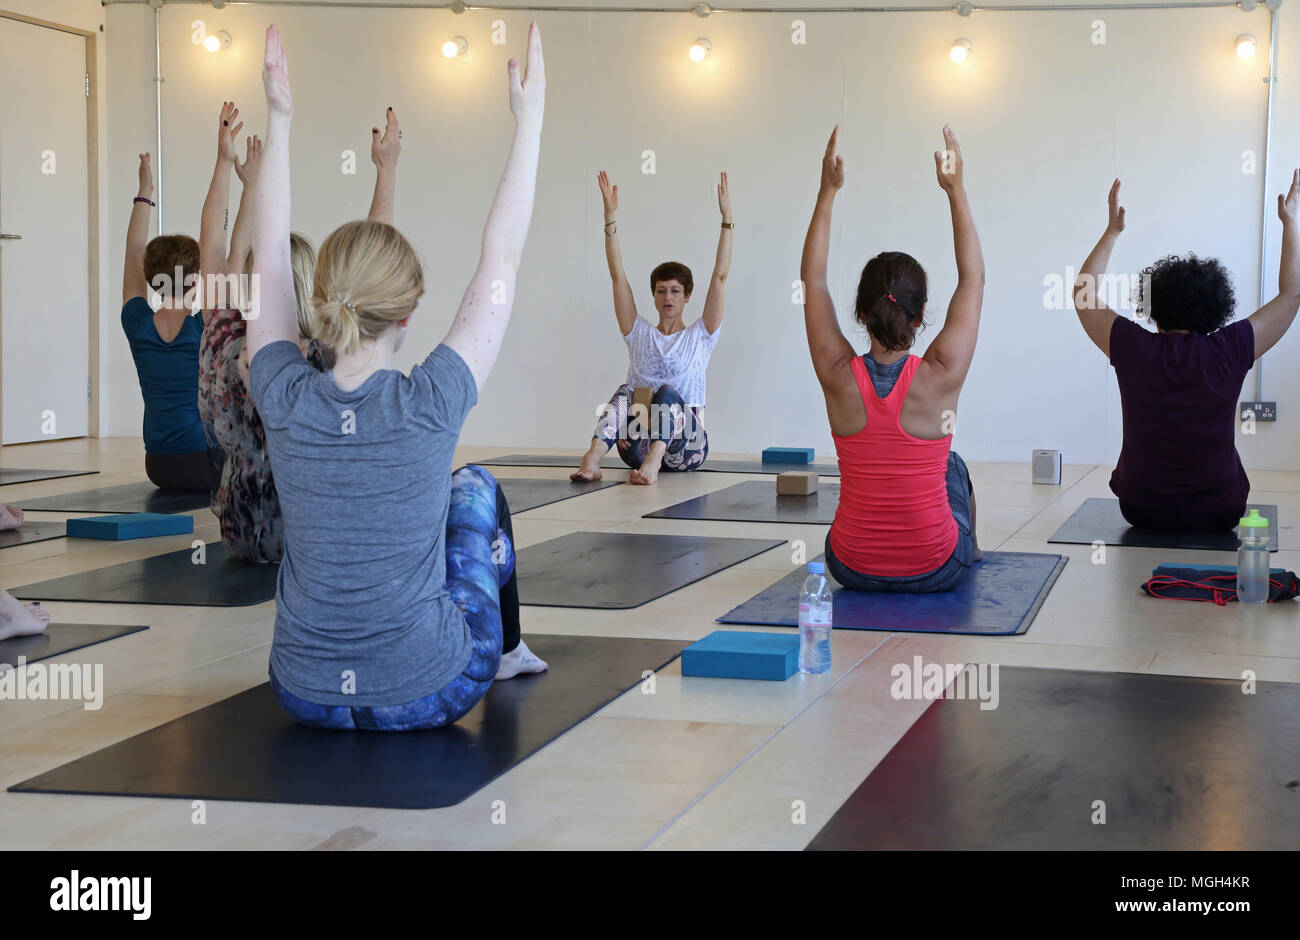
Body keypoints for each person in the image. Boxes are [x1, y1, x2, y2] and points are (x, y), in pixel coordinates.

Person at [246, 24, 548, 731]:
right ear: (411, 308)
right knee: (472, 488)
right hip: (430, 690)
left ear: (317, 299)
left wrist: (280, 122)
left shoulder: (282, 395)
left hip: (302, 691)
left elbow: (264, 261)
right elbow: (500, 259)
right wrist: (529, 119)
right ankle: (504, 650)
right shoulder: (431, 401)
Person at [196, 102, 399, 563]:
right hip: (312, 538)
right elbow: (373, 258)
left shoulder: (225, 341)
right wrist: (386, 170)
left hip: (240, 532)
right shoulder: (324, 356)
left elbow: (212, 246)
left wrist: (225, 166)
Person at [800, 125, 984, 593]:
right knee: (952, 463)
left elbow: (814, 280)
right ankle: (971, 551)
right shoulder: (940, 375)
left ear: (861, 312)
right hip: (935, 567)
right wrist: (955, 189)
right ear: (922, 313)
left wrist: (828, 192)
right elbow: (973, 281)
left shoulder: (837, 374)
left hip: (850, 566)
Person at [1073, 175, 1300, 532]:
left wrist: (1113, 231)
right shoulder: (1230, 348)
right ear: (1215, 308)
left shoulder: (1133, 347)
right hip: (1220, 510)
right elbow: (1292, 295)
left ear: (1152, 306)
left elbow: (1082, 296)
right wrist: (1290, 223)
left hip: (1140, 508)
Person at [570, 170, 732, 485]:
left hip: (686, 449)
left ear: (687, 297)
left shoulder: (700, 336)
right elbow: (617, 275)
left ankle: (655, 462)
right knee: (625, 391)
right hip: (637, 445)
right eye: (661, 290)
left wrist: (727, 220)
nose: (667, 297)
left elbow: (720, 276)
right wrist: (609, 218)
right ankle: (592, 459)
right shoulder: (639, 333)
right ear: (653, 296)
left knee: (668, 393)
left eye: (674, 291)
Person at [121, 153, 221, 491]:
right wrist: (223, 161)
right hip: (204, 464)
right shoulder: (204, 326)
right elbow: (213, 245)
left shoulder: (137, 324)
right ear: (196, 280)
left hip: (158, 466)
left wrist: (145, 190)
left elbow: (134, 249)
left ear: (149, 277)